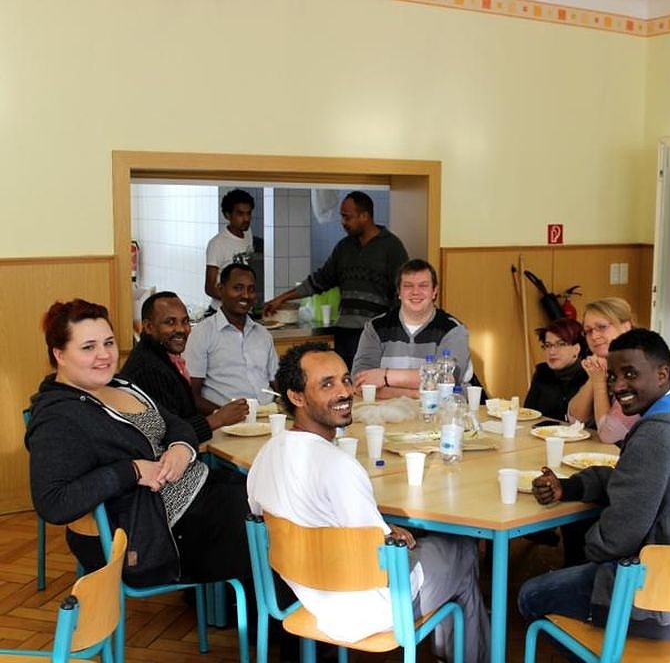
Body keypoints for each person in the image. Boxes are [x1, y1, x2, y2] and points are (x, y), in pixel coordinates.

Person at [246, 342, 490, 662]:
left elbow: (274, 521)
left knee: (435, 553)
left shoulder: (264, 456)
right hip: (374, 609)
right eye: (327, 384)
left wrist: (383, 530)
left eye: (346, 379)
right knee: (463, 548)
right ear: (296, 397)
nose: (345, 392)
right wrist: (390, 535)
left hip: (308, 597)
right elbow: (383, 556)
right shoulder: (339, 466)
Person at [519, 328, 670, 640]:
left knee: (530, 595)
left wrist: (589, 547)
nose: (618, 386)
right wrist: (572, 487)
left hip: (660, 604)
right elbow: (640, 482)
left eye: (630, 374)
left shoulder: (657, 435)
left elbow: (615, 540)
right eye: (612, 377)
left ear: (662, 374)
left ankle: (608, 654)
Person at [25, 299, 253, 590]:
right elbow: (53, 503)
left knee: (270, 496)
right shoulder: (59, 416)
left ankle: (266, 606)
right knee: (274, 526)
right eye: (88, 347)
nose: (104, 355)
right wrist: (132, 470)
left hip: (198, 495)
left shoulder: (118, 384)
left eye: (108, 343)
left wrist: (181, 448)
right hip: (156, 533)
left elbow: (175, 423)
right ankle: (279, 613)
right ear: (60, 354)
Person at [262, 191, 408, 371]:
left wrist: (393, 331)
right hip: (344, 332)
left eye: (347, 217)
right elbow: (319, 281)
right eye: (342, 217)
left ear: (364, 216)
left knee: (369, 382)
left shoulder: (392, 247)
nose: (343, 222)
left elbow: (402, 292)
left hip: (376, 333)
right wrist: (281, 299)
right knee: (344, 379)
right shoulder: (344, 247)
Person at [120, 291, 248, 443]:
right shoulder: (149, 369)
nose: (181, 329)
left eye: (185, 321)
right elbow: (168, 436)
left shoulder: (161, 356)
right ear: (148, 326)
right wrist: (218, 419)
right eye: (170, 322)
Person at [567, 297, 670, 444]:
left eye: (602, 327)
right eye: (588, 331)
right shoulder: (610, 363)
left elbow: (610, 435)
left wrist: (598, 382)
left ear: (625, 327)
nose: (594, 336)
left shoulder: (644, 366)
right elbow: (575, 421)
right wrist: (595, 376)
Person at [352, 258, 473, 399]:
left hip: (437, 411)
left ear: (434, 291)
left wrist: (384, 376)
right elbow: (360, 383)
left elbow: (447, 379)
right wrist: (415, 394)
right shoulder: (375, 328)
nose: (415, 292)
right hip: (385, 411)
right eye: (408, 286)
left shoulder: (453, 330)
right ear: (399, 292)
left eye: (423, 286)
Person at [185, 263, 278, 413]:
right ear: (220, 289)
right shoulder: (202, 334)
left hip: (269, 413)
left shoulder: (263, 334)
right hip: (227, 419)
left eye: (251, 289)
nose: (245, 295)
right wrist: (224, 415)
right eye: (238, 288)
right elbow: (191, 396)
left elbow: (275, 380)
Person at [204, 188, 260, 314]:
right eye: (240, 214)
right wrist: (238, 300)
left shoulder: (248, 234)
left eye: (248, 213)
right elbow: (209, 288)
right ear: (227, 215)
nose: (246, 219)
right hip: (221, 312)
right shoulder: (217, 244)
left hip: (243, 312)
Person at [524, 318, 588, 421]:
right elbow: (528, 413)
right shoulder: (543, 371)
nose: (552, 352)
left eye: (561, 344)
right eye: (548, 345)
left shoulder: (589, 374)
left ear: (576, 349)